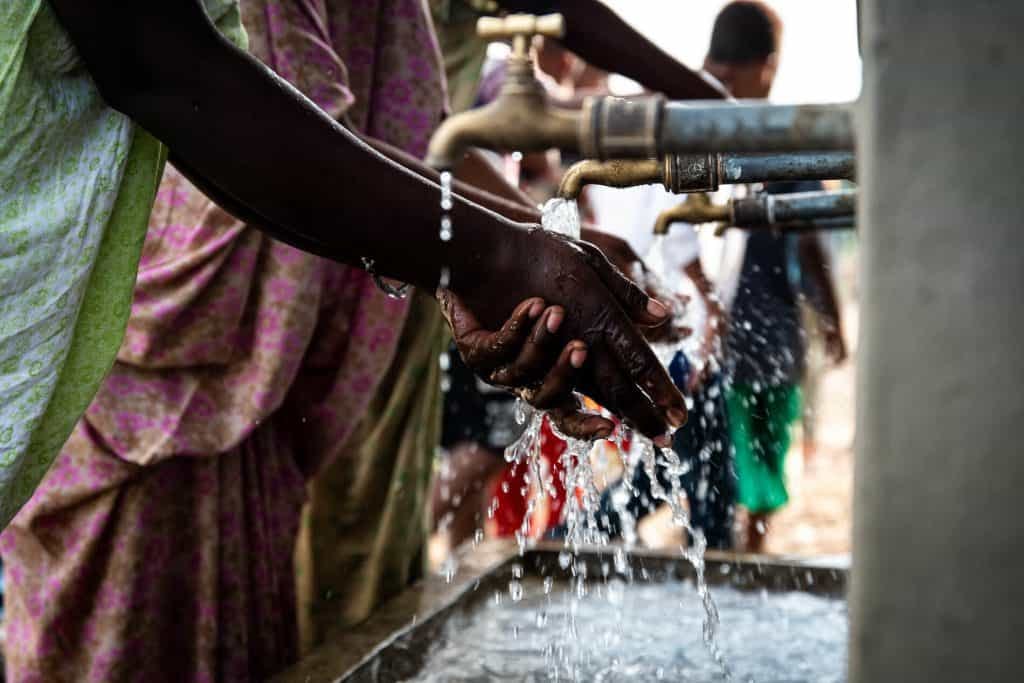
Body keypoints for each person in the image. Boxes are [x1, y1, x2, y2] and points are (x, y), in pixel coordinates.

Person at [0, 1, 692, 681]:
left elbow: (366, 124)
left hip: (298, 322)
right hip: (185, 344)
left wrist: (507, 249)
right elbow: (179, 74)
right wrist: (501, 257)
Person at [702, 1, 846, 553]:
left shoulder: (686, 117)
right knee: (761, 448)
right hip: (767, 332)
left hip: (706, 327)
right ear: (764, 65)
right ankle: (749, 556)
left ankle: (725, 551)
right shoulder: (777, 134)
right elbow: (810, 237)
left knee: (714, 450)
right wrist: (833, 320)